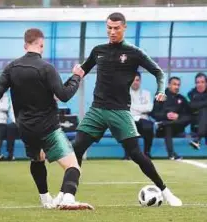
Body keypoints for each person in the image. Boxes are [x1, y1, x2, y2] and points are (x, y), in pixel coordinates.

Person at [72, 12, 182, 206]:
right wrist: (68, 82)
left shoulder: (134, 52)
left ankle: (166, 191)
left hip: (120, 111)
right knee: (76, 148)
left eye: (116, 28)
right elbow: (82, 71)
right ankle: (68, 196)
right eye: (109, 28)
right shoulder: (98, 50)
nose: (112, 32)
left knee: (136, 154)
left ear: (124, 28)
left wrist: (160, 90)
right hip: (97, 109)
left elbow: (158, 72)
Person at [0, 28, 93, 210]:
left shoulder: (12, 68)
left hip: (25, 128)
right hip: (48, 128)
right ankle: (67, 198)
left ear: (25, 45)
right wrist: (76, 77)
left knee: (37, 159)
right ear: (41, 45)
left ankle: (45, 198)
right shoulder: (46, 68)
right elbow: (64, 95)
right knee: (73, 166)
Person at [151, 77, 190, 160]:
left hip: (177, 128)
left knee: (188, 117)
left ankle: (166, 123)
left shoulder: (182, 98)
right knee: (167, 126)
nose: (177, 87)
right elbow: (153, 113)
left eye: (178, 85)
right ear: (169, 85)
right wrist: (166, 115)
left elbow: (187, 115)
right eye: (174, 84)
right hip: (163, 129)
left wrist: (178, 116)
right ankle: (171, 154)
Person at [129, 72, 154, 159]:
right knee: (127, 127)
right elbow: (126, 109)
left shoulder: (146, 93)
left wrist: (133, 107)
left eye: (137, 80)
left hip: (144, 120)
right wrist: (142, 109)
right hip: (130, 120)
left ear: (140, 81)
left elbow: (149, 108)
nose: (135, 82)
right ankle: (129, 154)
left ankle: (147, 153)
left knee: (149, 127)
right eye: (133, 80)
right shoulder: (125, 93)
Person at [188, 72, 207, 150]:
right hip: (196, 123)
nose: (200, 84)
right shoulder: (191, 94)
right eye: (197, 82)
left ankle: (198, 139)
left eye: (202, 82)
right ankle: (199, 138)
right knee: (204, 110)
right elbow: (192, 106)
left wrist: (200, 104)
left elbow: (196, 105)